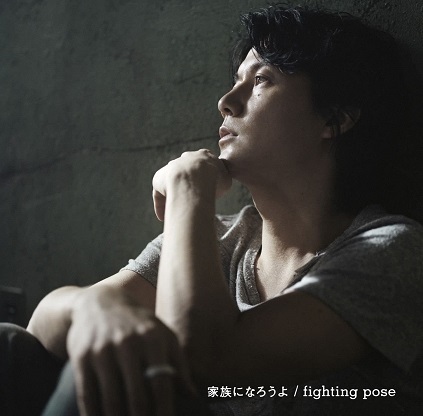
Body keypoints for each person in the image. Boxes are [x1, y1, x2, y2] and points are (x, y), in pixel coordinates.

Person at [1, 4, 423, 416]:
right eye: (235, 81)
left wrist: (189, 188)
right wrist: (94, 307)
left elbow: (204, 356)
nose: (226, 101)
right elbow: (40, 328)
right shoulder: (220, 239)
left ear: (334, 119)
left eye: (261, 80)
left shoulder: (392, 251)